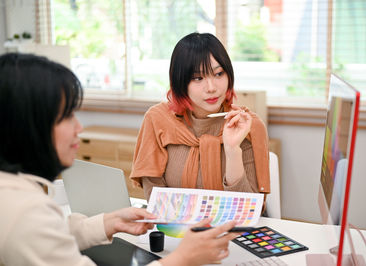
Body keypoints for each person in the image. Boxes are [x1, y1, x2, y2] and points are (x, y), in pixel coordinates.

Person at [0, 53, 238, 266]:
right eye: (66, 116)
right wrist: (182, 259)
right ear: (28, 127)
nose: (79, 127)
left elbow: (50, 235)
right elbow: (36, 230)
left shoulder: (14, 195)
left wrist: (108, 222)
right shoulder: (25, 213)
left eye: (218, 74)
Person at [130, 32, 270, 201]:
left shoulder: (245, 125)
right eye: (198, 78)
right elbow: (156, 201)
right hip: (176, 226)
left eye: (219, 74)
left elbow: (250, 209)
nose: (211, 87)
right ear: (180, 82)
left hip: (232, 226)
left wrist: (233, 151)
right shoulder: (158, 120)